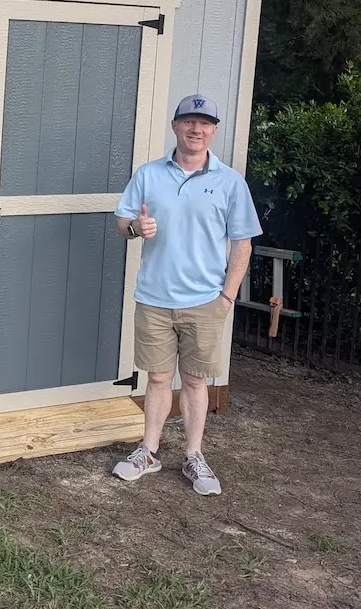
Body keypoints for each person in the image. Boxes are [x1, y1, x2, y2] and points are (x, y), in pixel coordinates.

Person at [111, 94, 262, 496]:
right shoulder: (149, 174)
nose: (197, 130)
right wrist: (134, 230)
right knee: (158, 377)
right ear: (175, 126)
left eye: (205, 124)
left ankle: (194, 456)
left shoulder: (230, 181)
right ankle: (149, 450)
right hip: (155, 298)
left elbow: (242, 243)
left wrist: (227, 297)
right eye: (189, 122)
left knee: (195, 380)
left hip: (205, 301)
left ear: (213, 131)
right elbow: (122, 222)